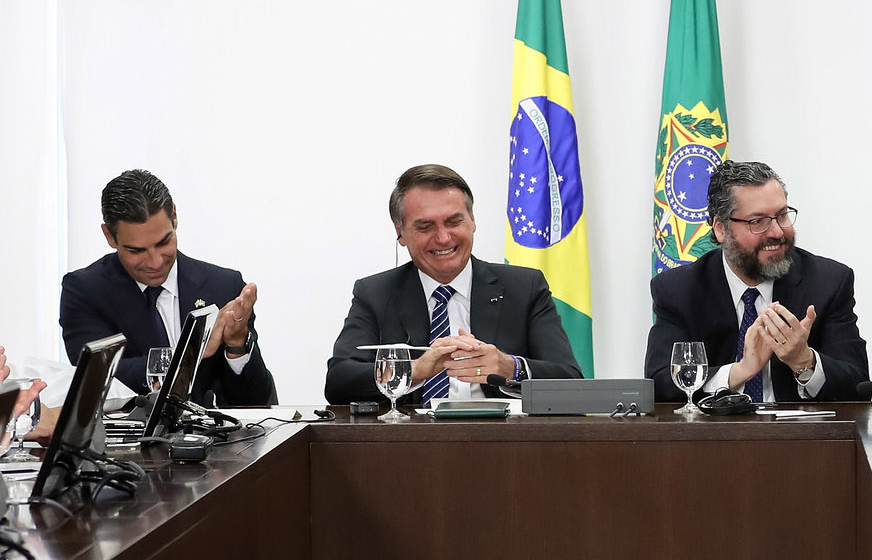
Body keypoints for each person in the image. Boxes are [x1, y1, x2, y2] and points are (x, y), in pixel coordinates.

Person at [326, 164, 581, 405]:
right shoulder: (375, 293)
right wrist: (415, 370)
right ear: (400, 232)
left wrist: (509, 367)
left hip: (505, 442)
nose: (443, 237)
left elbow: (571, 383)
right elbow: (339, 383)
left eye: (453, 222)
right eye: (425, 226)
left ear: (472, 221)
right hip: (410, 443)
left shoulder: (525, 287)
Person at [644, 161, 868, 402]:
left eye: (782, 215)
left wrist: (804, 361)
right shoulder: (679, 290)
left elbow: (858, 384)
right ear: (721, 229)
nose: (777, 232)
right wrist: (738, 372)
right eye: (757, 221)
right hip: (713, 439)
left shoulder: (828, 282)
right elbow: (659, 384)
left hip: (800, 438)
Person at [60, 169, 275, 405]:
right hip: (132, 440)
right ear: (109, 236)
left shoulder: (224, 286)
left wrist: (237, 345)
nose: (155, 262)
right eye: (136, 250)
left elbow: (257, 400)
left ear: (174, 216)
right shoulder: (86, 291)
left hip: (221, 440)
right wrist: (191, 353)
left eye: (164, 242)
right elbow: (95, 377)